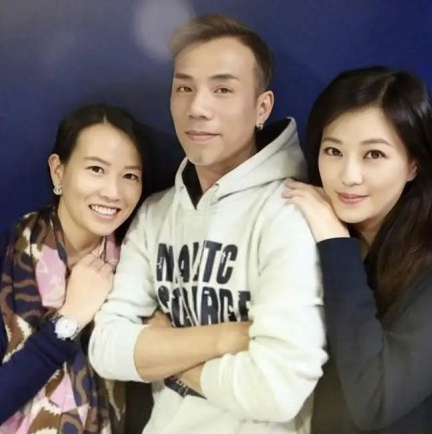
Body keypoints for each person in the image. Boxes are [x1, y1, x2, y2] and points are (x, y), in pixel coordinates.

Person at [89, 14, 327, 434]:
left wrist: (167, 353)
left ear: (262, 107)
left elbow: (276, 391)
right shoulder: (155, 213)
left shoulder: (293, 213)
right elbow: (106, 349)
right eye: (184, 88)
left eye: (222, 90)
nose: (197, 108)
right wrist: (229, 337)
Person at [283, 66, 432, 433]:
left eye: (374, 155)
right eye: (333, 151)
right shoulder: (305, 229)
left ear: (413, 165)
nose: (349, 176)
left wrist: (335, 244)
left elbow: (374, 402)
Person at [0, 104, 152, 434]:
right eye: (96, 169)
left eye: (130, 176)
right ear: (58, 171)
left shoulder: (138, 272)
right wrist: (68, 321)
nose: (113, 192)